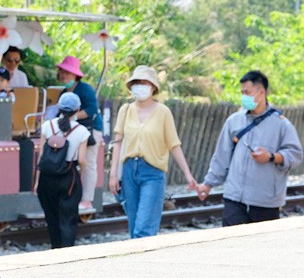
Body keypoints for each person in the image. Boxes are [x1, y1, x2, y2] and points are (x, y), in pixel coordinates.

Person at [197, 70, 302, 226]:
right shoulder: (234, 121)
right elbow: (221, 156)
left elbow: (296, 155)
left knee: (262, 248)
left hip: (266, 201)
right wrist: (208, 183)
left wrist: (271, 157)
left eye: (247, 92)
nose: (244, 97)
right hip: (234, 198)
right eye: (242, 92)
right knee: (231, 245)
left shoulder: (281, 124)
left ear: (261, 92)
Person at [108, 66, 198, 238]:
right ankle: (138, 263)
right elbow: (117, 143)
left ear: (153, 87)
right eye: (136, 83)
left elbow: (174, 144)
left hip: (153, 172)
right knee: (134, 226)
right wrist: (113, 175)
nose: (140, 86)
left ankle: (142, 263)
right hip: (128, 170)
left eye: (144, 82)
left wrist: (187, 174)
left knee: (144, 228)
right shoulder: (125, 110)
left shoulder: (163, 112)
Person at [35, 92, 89, 248]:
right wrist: (82, 174)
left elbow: (41, 155)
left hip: (46, 176)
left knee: (51, 217)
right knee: (68, 218)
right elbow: (82, 160)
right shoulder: (82, 131)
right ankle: (66, 252)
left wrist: (37, 181)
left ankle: (55, 249)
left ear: (59, 108)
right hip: (69, 177)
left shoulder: (47, 126)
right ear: (77, 110)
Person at [55, 56, 103, 213]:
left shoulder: (85, 89)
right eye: (62, 71)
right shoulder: (64, 91)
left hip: (90, 131)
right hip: (73, 132)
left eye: (67, 72)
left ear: (75, 75)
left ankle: (87, 200)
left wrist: (72, 116)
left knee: (88, 164)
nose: (63, 75)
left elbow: (91, 110)